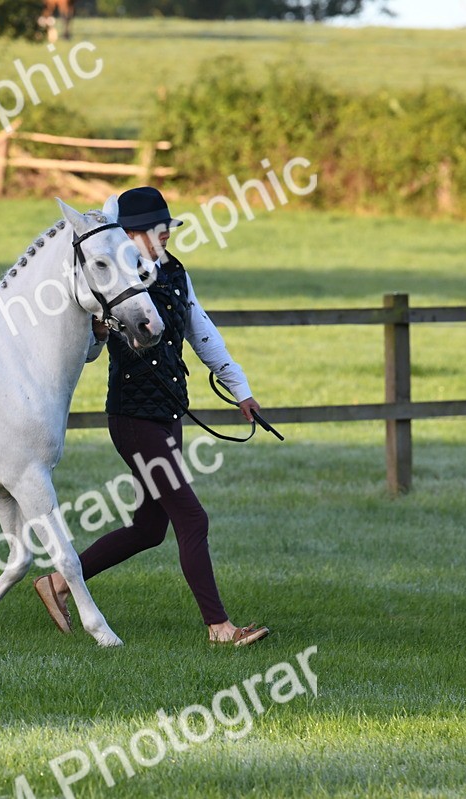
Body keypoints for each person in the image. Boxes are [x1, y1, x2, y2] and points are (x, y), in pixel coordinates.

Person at [35, 186, 270, 646]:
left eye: (167, 230)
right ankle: (220, 628)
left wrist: (240, 389)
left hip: (166, 413)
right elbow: (85, 351)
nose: (166, 237)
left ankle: (58, 583)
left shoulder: (178, 274)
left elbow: (203, 333)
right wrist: (100, 332)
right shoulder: (114, 282)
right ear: (131, 235)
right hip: (134, 418)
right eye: (157, 231)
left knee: (149, 528)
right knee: (192, 519)